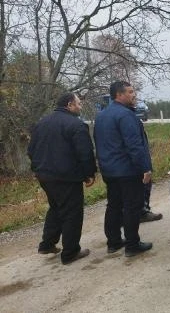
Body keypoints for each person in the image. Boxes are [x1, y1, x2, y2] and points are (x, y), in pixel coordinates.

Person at [27, 93, 96, 265]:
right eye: (79, 103)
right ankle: (71, 252)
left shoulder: (41, 123)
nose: (80, 107)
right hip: (66, 177)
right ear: (70, 104)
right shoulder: (76, 125)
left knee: (56, 207)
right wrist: (89, 174)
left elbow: (30, 150)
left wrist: (38, 167)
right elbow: (85, 154)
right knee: (72, 213)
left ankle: (47, 244)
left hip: (44, 175)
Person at [94, 81, 153, 257]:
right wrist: (145, 168)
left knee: (113, 205)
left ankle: (113, 242)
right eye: (130, 92)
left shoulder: (101, 116)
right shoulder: (126, 116)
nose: (134, 95)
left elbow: (99, 143)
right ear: (119, 95)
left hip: (109, 170)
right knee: (132, 207)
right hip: (127, 171)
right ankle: (132, 245)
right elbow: (134, 146)